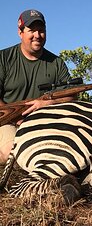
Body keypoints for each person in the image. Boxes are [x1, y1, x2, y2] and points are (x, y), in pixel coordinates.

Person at [0, 9, 74, 165]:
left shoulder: (56, 63)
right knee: (11, 155)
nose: (37, 35)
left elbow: (72, 95)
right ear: (20, 32)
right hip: (8, 122)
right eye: (31, 30)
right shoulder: (4, 58)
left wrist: (47, 103)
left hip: (44, 122)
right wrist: (16, 117)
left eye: (41, 30)